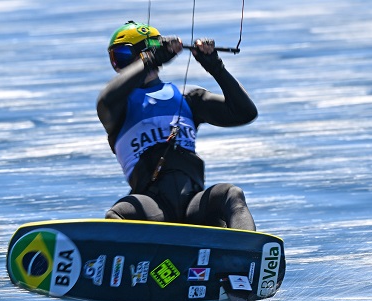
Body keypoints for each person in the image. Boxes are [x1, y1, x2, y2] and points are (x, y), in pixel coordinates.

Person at [97, 21, 258, 231]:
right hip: (152, 207)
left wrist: (215, 66)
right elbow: (106, 99)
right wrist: (151, 58)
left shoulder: (190, 100)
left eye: (123, 56)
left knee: (231, 194)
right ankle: (126, 261)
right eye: (117, 57)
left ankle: (248, 255)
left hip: (194, 205)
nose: (119, 65)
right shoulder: (117, 107)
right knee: (118, 212)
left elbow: (245, 112)